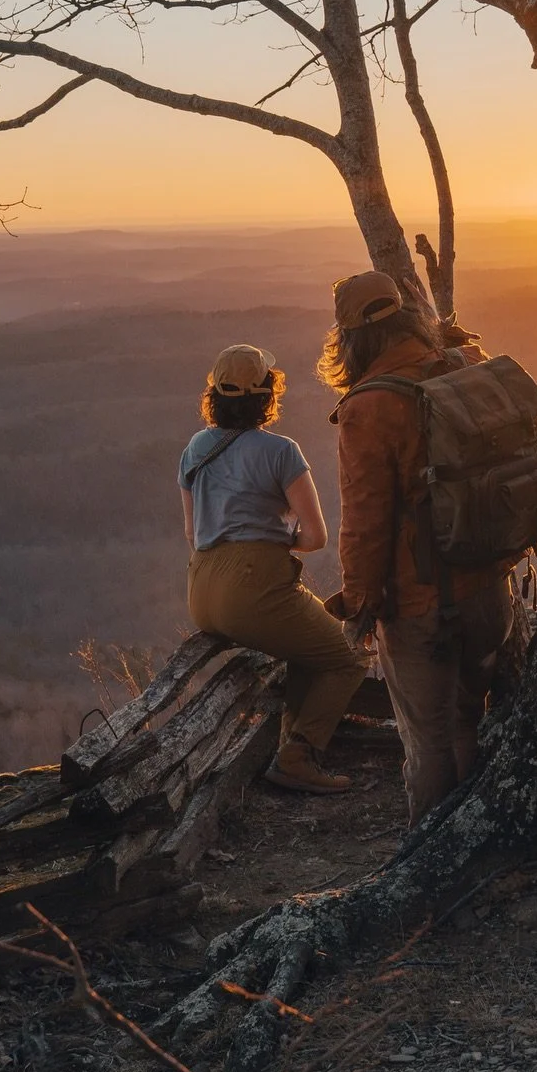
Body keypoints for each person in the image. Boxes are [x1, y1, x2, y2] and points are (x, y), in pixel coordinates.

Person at [320, 273, 515, 823]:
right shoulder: (465, 364)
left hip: (422, 605)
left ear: (350, 338)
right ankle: (471, 843)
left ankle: (427, 869)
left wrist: (357, 611)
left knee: (427, 743)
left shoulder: (369, 408)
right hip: (490, 593)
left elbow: (364, 523)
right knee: (466, 722)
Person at [179, 341, 369, 795]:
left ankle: (290, 746)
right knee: (348, 659)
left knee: (312, 647)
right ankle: (297, 756)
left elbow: (192, 531)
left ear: (216, 394)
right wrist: (278, 539)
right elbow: (315, 537)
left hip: (201, 589)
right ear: (267, 394)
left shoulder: (195, 448)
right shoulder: (281, 451)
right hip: (254, 586)